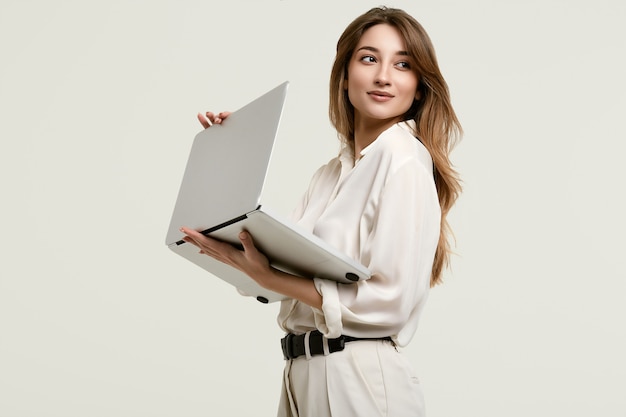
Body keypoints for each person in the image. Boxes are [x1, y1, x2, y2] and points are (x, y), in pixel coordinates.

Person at [182, 6, 462, 417]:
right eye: (369, 58)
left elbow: (390, 303)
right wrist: (228, 153)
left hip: (357, 376)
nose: (384, 75)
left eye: (403, 65)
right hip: (303, 373)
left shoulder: (403, 159)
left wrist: (271, 277)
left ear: (419, 87)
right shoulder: (332, 173)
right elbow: (267, 279)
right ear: (345, 75)